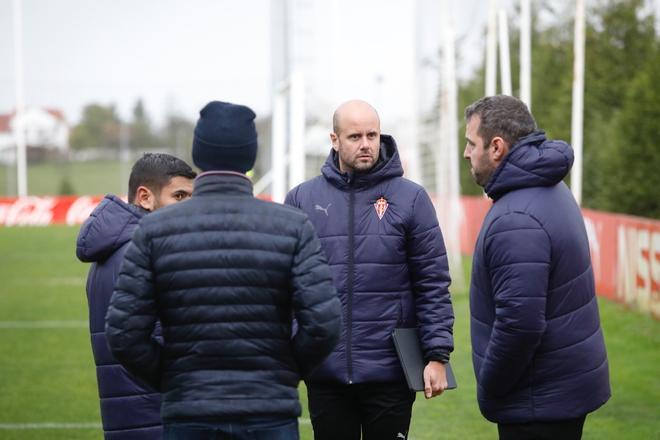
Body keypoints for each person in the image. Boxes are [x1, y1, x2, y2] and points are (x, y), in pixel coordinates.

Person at [105, 100, 342, 440]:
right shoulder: (292, 226)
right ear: (250, 155)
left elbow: (124, 332)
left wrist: (174, 378)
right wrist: (282, 372)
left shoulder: (154, 230)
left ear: (199, 153)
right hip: (268, 411)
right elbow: (324, 323)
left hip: (190, 411)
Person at [285, 99, 454, 440]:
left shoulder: (411, 199)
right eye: (354, 136)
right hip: (325, 372)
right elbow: (286, 286)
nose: (365, 144)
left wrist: (437, 355)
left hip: (389, 372)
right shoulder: (301, 199)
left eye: (372, 135)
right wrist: (294, 347)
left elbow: (432, 282)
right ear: (334, 140)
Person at [463, 95, 611, 440]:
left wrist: (491, 385)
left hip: (537, 400)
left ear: (496, 147)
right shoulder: (549, 187)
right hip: (556, 392)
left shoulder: (517, 217)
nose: (466, 153)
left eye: (472, 144)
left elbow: (520, 324)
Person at [76, 152, 196, 439]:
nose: (189, 207)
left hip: (129, 417)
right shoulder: (146, 252)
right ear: (144, 197)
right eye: (179, 197)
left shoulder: (112, 250)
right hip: (160, 415)